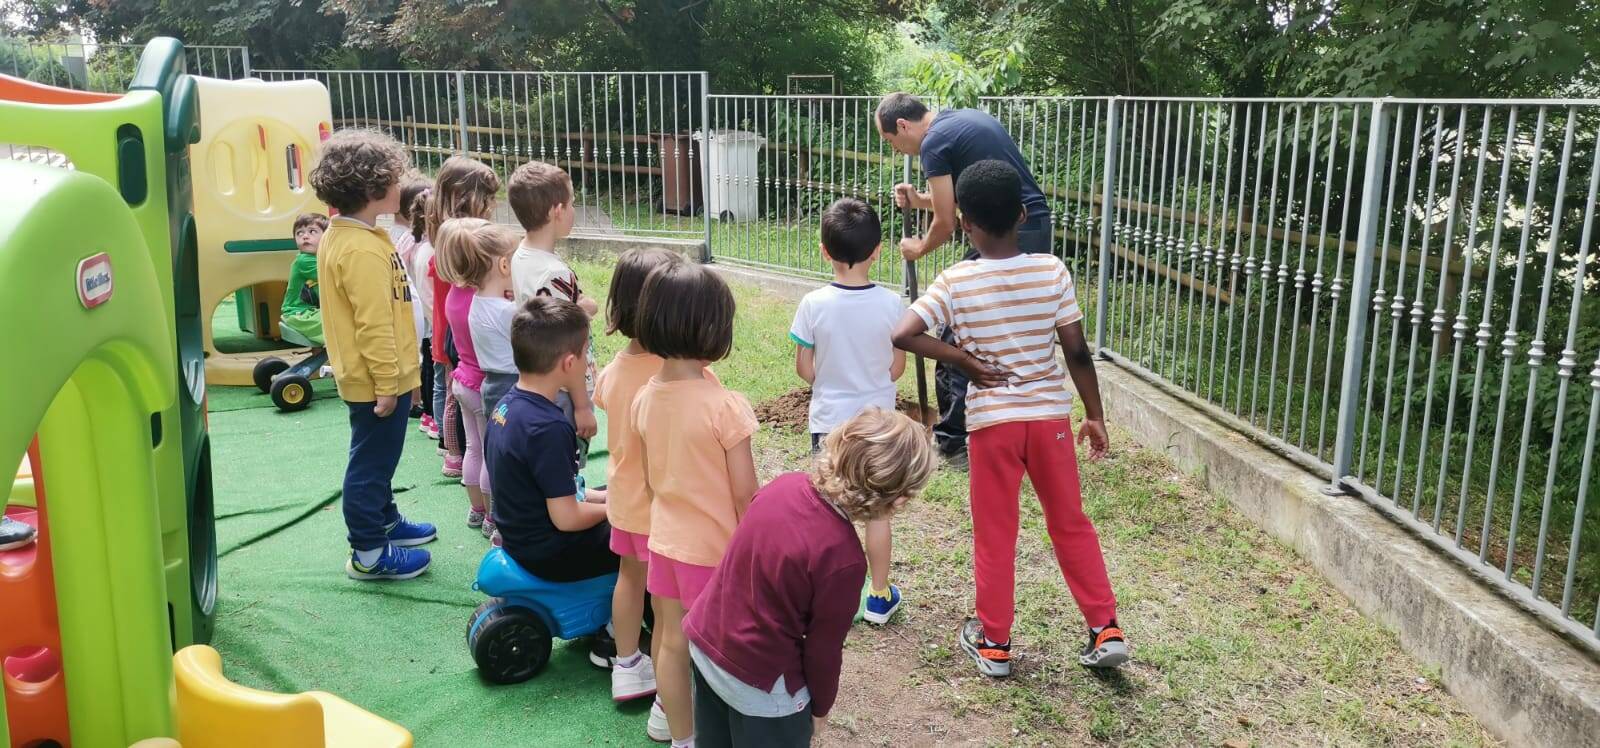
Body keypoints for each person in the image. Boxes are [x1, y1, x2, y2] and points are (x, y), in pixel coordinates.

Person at [890, 159, 1127, 676]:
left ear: (966, 224)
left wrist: (965, 361)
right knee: (1071, 524)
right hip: (1050, 422)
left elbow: (904, 332)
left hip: (993, 425)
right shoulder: (1052, 271)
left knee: (995, 534)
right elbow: (1077, 351)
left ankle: (995, 644)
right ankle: (1105, 627)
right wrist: (1094, 414)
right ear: (1022, 214)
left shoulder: (954, 280)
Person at [684, 408, 938, 747]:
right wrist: (821, 708)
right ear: (900, 499)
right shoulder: (843, 558)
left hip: (706, 643)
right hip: (762, 681)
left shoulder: (784, 485)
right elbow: (823, 650)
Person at [876, 92, 1054, 468]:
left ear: (903, 126)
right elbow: (960, 200)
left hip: (1011, 231)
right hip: (1028, 224)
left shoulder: (934, 144)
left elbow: (944, 222)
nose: (897, 150)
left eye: (891, 141)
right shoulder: (959, 121)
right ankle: (1012, 429)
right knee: (1011, 333)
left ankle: (954, 443)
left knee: (960, 334)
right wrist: (919, 198)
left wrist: (917, 249)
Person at [632, 262, 759, 746]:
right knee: (720, 652)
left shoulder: (645, 397)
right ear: (713, 329)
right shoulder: (725, 407)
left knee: (669, 640)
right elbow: (746, 494)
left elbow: (648, 481)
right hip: (718, 555)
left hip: (665, 543)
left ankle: (681, 737)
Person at [309, 129, 435, 581]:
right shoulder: (359, 248)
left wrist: (409, 375)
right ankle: (368, 550)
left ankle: (385, 522)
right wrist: (387, 383)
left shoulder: (359, 236)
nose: (401, 185)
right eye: (394, 178)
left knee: (381, 457)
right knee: (371, 462)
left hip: (390, 375)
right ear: (371, 188)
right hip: (376, 381)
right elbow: (374, 325)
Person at [789, 198, 908, 625]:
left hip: (829, 425)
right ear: (877, 251)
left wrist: (828, 376)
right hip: (879, 428)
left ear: (824, 250)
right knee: (877, 511)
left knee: (826, 510)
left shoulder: (812, 304)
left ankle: (822, 595)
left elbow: (805, 369)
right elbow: (897, 366)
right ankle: (879, 595)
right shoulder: (894, 305)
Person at [592, 247, 686, 703]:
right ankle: (672, 688)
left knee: (628, 579)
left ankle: (626, 664)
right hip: (664, 508)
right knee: (668, 603)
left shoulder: (612, 371)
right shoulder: (673, 373)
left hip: (623, 502)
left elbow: (604, 401)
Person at [507, 161, 599, 458]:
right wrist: (582, 405)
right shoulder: (555, 272)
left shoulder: (520, 255)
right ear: (557, 211)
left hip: (541, 379)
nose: (574, 210)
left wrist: (579, 303)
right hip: (565, 389)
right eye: (572, 203)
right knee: (566, 469)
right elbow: (568, 344)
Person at [435, 217, 519, 539]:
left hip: (461, 380)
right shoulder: (484, 300)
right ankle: (492, 517)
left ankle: (476, 509)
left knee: (472, 448)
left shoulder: (455, 296)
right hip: (484, 384)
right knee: (489, 455)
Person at [424, 158, 499, 483]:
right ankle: (454, 453)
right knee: (467, 412)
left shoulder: (444, 236)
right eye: (488, 196)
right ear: (465, 196)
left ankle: (454, 453)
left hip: (450, 331)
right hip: (465, 338)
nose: (493, 205)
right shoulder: (464, 242)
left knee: (455, 397)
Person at [392, 177, 437, 434]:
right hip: (425, 312)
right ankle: (427, 410)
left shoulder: (407, 240)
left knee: (423, 360)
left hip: (415, 309)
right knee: (428, 363)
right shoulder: (419, 244)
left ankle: (424, 409)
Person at [279, 212, 327, 346]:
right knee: (337, 323)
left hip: (311, 311)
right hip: (298, 313)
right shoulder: (304, 260)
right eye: (299, 233)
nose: (305, 236)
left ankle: (322, 363)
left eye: (312, 231)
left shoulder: (321, 259)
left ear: (327, 237)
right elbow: (335, 278)